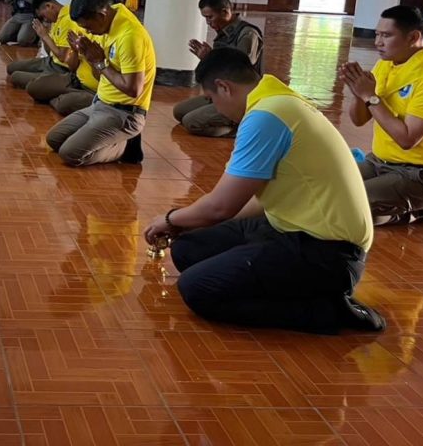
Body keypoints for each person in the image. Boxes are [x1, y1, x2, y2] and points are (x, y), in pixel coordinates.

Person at [144, 48, 383, 335]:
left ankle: (326, 310)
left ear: (224, 87)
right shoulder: (274, 101)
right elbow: (250, 200)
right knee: (188, 247)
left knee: (197, 288)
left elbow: (221, 207)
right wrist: (186, 223)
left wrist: (170, 219)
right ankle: (283, 282)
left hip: (330, 252)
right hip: (292, 227)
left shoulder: (266, 116)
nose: (215, 108)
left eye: (211, 99)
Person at [340, 5, 423, 226]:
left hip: (418, 175)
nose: (378, 42)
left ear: (413, 37)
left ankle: (414, 207)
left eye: (386, 35)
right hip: (377, 163)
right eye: (377, 34)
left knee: (346, 203)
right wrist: (358, 93)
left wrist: (370, 96)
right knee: (324, 187)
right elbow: (359, 120)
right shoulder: (385, 65)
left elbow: (407, 139)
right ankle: (403, 211)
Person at [46, 0, 155, 165]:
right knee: (54, 139)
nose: (88, 32)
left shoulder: (130, 36)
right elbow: (99, 75)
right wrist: (89, 57)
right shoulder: (108, 21)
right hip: (100, 104)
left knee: (70, 154)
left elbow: (134, 90)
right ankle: (110, 136)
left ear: (101, 16)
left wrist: (100, 63)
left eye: (88, 27)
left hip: (124, 113)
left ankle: (127, 148)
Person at [174, 0, 263, 138]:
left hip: (239, 97)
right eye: (205, 18)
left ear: (225, 12)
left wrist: (210, 57)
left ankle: (240, 128)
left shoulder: (247, 34)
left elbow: (238, 69)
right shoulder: (223, 33)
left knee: (191, 122)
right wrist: (207, 59)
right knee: (179, 112)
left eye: (210, 17)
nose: (208, 23)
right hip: (221, 91)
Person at [6, 0, 97, 115]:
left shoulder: (68, 20)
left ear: (49, 6)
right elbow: (56, 55)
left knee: (20, 79)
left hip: (61, 69)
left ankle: (53, 92)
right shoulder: (57, 19)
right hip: (58, 67)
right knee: (12, 69)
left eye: (43, 16)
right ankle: (52, 90)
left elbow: (63, 57)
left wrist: (45, 36)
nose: (45, 20)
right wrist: (44, 36)